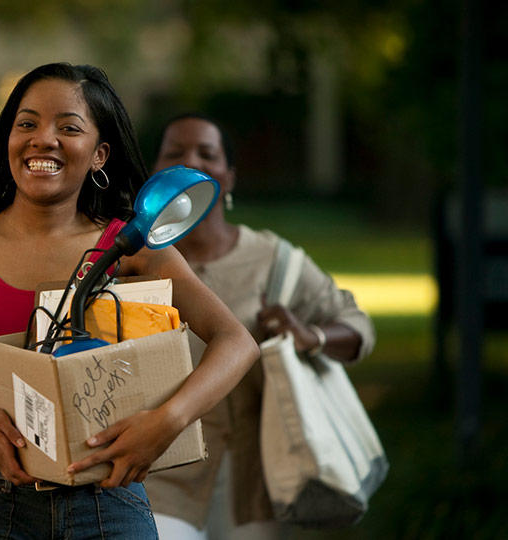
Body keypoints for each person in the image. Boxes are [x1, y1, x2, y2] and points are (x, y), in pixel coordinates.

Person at [0, 63, 259, 539]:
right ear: (8, 139)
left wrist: (167, 421)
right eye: (27, 123)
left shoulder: (129, 245)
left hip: (111, 507)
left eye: (69, 128)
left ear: (99, 154)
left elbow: (237, 342)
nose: (43, 139)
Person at [144, 113, 376, 540]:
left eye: (206, 153)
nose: (190, 161)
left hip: (258, 479)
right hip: (162, 479)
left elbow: (358, 325)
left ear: (228, 178)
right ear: (156, 174)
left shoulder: (275, 261)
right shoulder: (135, 264)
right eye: (175, 153)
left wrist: (311, 336)